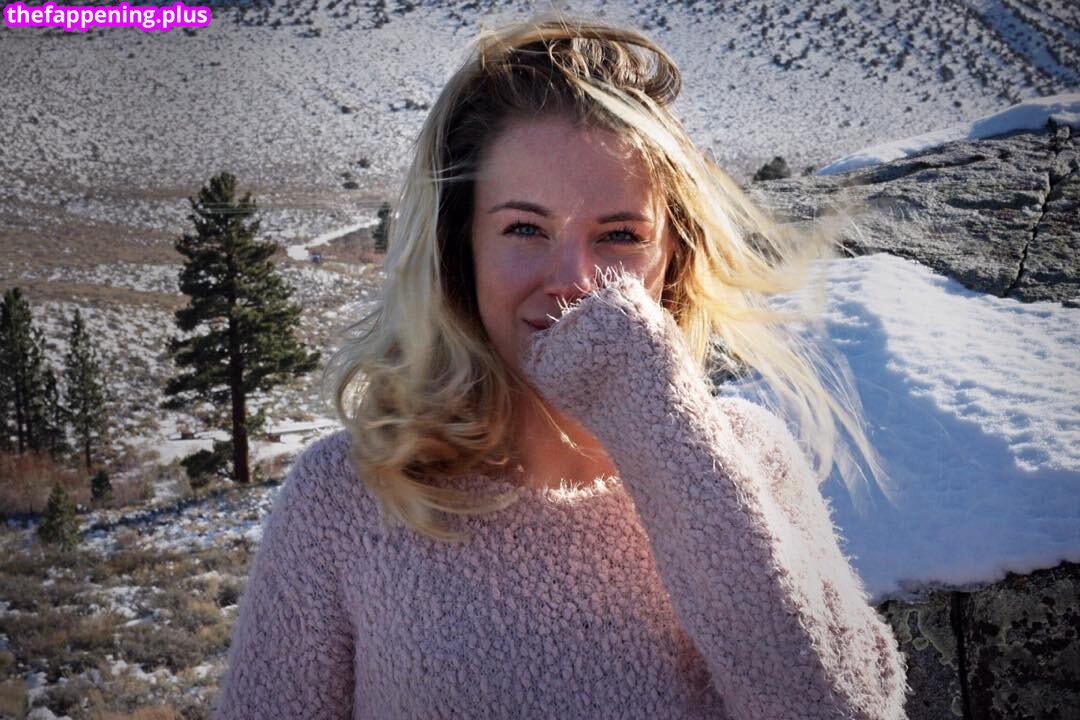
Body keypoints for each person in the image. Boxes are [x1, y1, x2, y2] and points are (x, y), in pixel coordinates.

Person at [212, 14, 912, 720]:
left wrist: (671, 439)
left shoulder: (748, 458)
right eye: (525, 229)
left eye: (620, 235)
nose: (574, 281)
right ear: (462, 249)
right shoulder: (350, 494)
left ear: (673, 253)